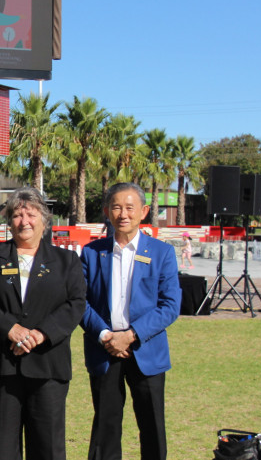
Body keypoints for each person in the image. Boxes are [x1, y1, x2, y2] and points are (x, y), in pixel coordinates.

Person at [0, 187, 87, 460]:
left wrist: (41, 334)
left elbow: (76, 303)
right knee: (2, 447)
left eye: (31, 214)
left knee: (48, 446)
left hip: (48, 366)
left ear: (44, 221)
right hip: (1, 365)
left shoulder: (66, 260)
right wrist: (9, 328)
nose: (24, 221)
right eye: (17, 215)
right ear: (9, 222)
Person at [80, 182, 181, 460]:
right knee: (106, 427)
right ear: (106, 212)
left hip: (146, 350)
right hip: (105, 350)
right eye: (116, 207)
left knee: (152, 426)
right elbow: (79, 302)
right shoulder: (91, 253)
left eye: (129, 207)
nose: (123, 214)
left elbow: (170, 306)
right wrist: (105, 335)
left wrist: (131, 335)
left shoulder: (161, 253)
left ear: (143, 211)